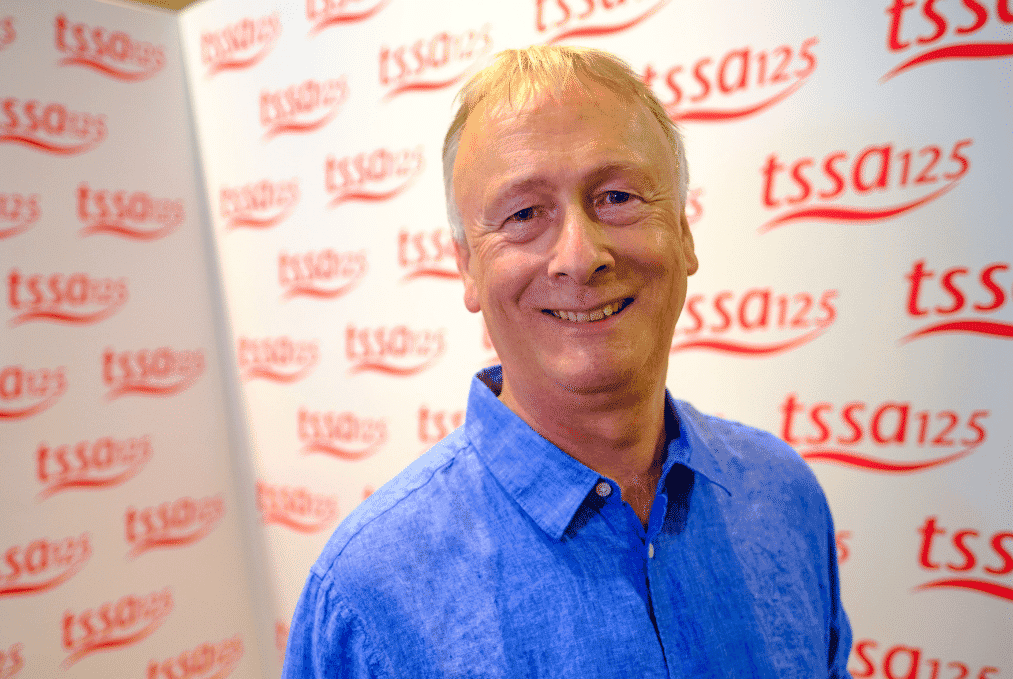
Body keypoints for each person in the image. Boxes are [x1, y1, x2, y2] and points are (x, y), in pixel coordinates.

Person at [283, 45, 852, 678]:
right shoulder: (367, 597)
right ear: (467, 266)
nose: (580, 257)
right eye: (524, 214)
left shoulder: (782, 495)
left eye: (615, 196)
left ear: (685, 235)